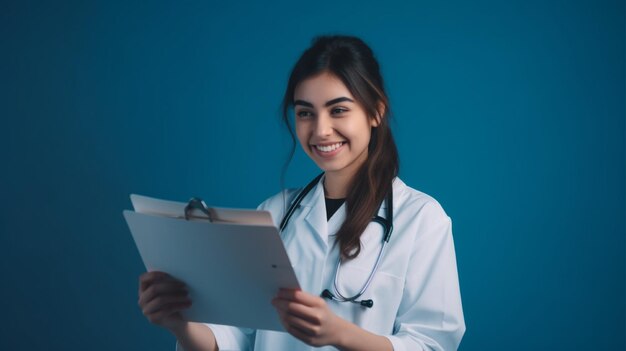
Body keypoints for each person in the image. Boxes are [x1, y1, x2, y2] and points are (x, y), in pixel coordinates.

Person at [138, 35, 466, 351]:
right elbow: (238, 337)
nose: (321, 130)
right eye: (305, 112)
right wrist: (179, 322)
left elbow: (431, 344)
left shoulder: (422, 219)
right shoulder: (275, 213)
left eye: (338, 110)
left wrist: (341, 335)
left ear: (376, 111)